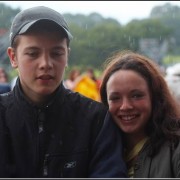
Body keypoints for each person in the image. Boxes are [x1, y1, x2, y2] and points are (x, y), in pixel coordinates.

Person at [0, 6, 127, 178]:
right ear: (13, 57)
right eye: (33, 53)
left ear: (67, 56)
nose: (46, 63)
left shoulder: (96, 119)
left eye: (56, 53)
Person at [99, 50, 180, 178]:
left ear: (155, 97)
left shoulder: (175, 148)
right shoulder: (97, 151)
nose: (125, 106)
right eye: (115, 98)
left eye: (136, 96)